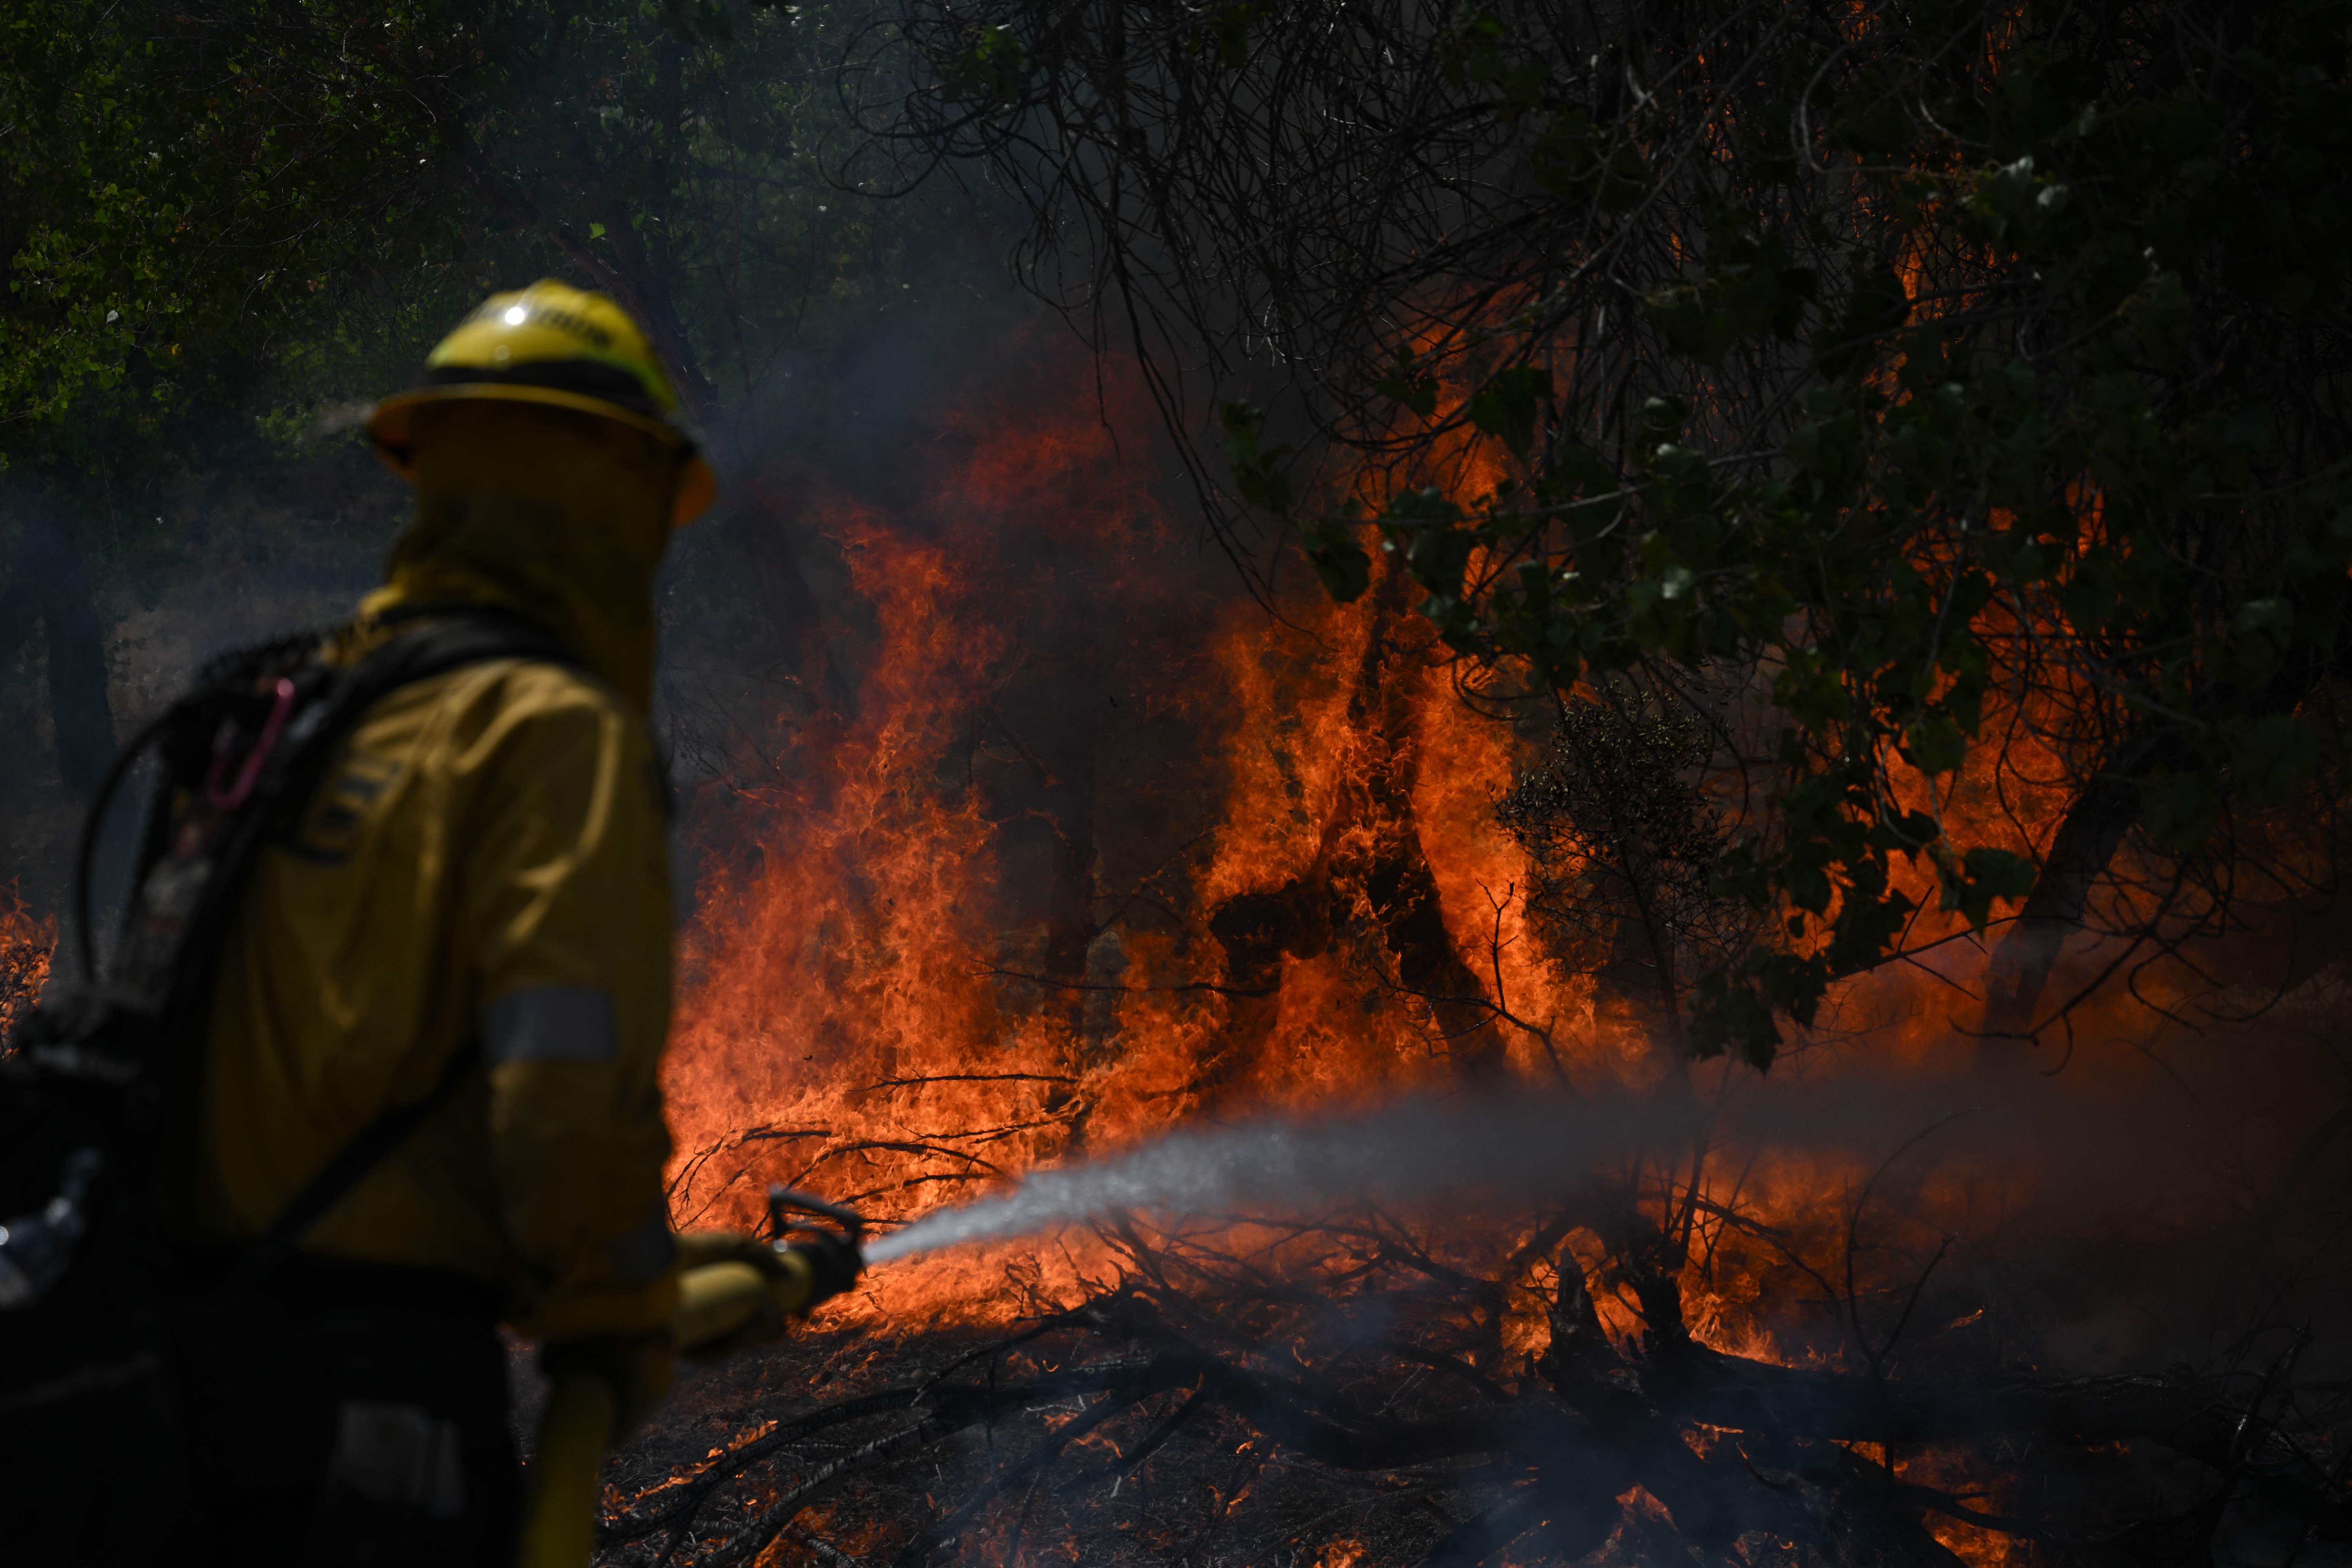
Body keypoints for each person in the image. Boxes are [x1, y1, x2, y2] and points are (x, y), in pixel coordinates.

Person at [159, 281, 857, 1566]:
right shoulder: (546, 730)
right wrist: (611, 1303)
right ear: (619, 492)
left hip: (180, 1374)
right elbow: (560, 1082)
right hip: (377, 1403)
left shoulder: (299, 713)